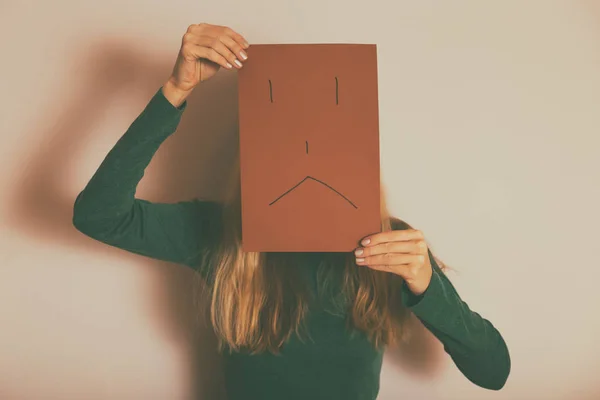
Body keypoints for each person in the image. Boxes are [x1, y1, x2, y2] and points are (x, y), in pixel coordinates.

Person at [72, 23, 510, 400]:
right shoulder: (221, 233)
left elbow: (493, 371)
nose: (308, 153)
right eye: (289, 141)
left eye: (330, 143)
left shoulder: (390, 246)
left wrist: (427, 285)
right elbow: (99, 215)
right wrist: (176, 90)